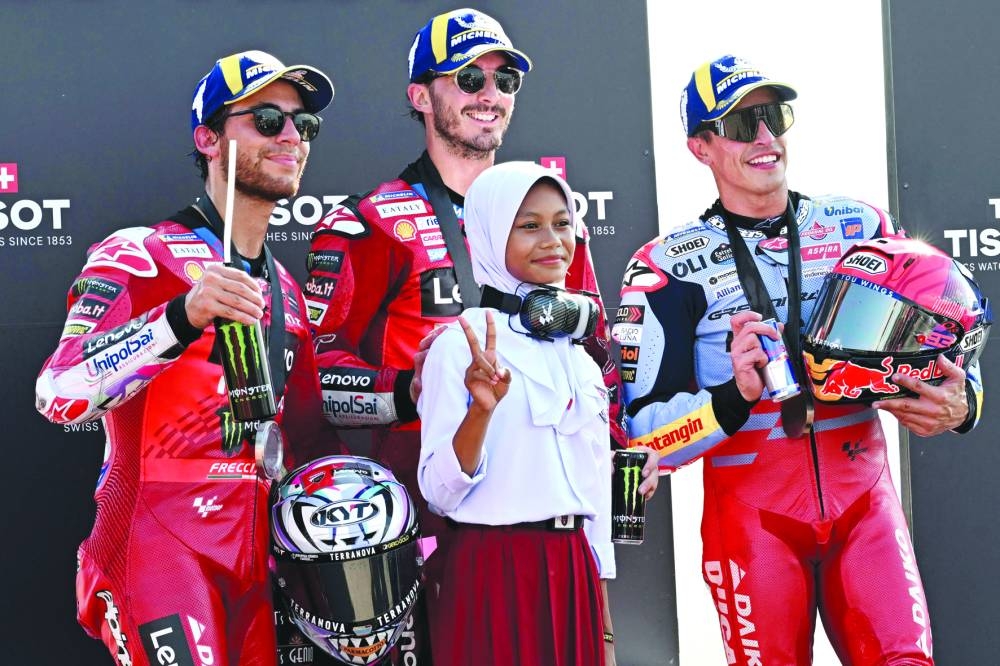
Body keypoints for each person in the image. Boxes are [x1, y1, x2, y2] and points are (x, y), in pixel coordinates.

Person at [618, 55, 985, 665]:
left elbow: (946, 333)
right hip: (754, 522)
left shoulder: (860, 225)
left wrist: (966, 399)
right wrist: (734, 395)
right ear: (700, 147)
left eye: (773, 117)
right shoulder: (665, 266)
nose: (765, 139)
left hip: (864, 499)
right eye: (741, 125)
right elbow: (641, 437)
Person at [304, 8, 625, 663]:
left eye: (504, 79)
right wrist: (413, 392)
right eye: (468, 77)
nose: (489, 93)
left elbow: (599, 364)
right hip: (417, 520)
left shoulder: (561, 229)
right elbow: (312, 373)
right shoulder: (371, 223)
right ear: (422, 97)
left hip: (546, 523)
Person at [35, 50, 337, 666]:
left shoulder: (289, 292)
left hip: (257, 563)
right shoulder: (142, 253)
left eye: (302, 125)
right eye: (267, 120)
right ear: (208, 139)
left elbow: (305, 441)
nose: (291, 138)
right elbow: (58, 394)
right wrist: (182, 316)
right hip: (159, 549)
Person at [417, 161, 658, 666]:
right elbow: (438, 493)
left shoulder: (579, 357)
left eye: (562, 222)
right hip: (490, 573)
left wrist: (606, 635)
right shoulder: (461, 344)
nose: (552, 240)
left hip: (574, 575)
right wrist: (479, 413)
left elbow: (591, 502)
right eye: (529, 225)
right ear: (487, 235)